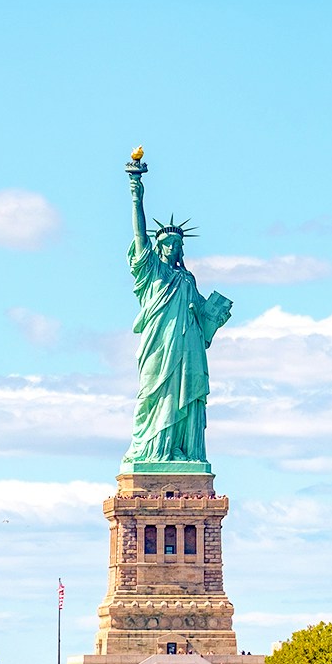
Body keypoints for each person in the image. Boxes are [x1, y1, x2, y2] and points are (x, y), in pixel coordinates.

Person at [122, 152, 233, 464]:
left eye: (176, 245)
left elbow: (202, 316)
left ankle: (182, 451)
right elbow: (139, 236)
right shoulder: (152, 272)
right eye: (166, 244)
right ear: (159, 248)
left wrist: (216, 314)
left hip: (188, 347)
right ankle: (154, 451)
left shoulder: (186, 279)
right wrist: (136, 194)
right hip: (159, 347)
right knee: (153, 396)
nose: (172, 248)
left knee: (186, 397)